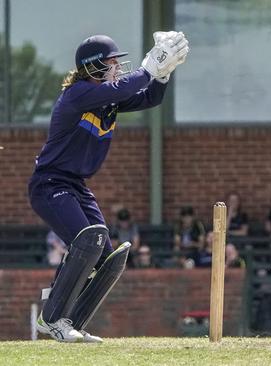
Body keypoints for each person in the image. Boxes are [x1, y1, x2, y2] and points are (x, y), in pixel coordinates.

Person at [28, 32, 189, 343]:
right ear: (94, 67)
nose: (118, 67)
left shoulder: (107, 98)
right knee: (86, 241)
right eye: (113, 63)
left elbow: (150, 97)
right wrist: (149, 67)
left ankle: (69, 322)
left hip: (75, 184)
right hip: (50, 183)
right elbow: (128, 85)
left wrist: (163, 74)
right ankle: (52, 319)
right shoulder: (78, 94)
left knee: (103, 252)